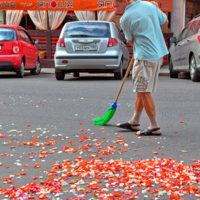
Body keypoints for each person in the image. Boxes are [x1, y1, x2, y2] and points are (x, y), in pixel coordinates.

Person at [114, 0, 169, 136]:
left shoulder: (125, 18)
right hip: (158, 54)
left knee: (143, 91)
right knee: (140, 89)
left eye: (116, 4)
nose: (115, 7)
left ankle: (154, 126)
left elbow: (131, 41)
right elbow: (165, 23)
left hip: (145, 57)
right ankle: (135, 121)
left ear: (125, 1)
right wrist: (155, 9)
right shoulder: (148, 5)